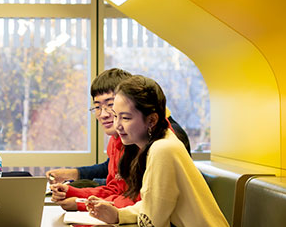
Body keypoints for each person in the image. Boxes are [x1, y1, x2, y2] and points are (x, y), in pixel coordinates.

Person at [86, 76, 239, 227]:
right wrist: (118, 214)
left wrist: (123, 215)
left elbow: (153, 223)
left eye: (125, 118)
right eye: (116, 117)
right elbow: (152, 210)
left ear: (151, 120)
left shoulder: (162, 150)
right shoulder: (159, 144)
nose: (118, 126)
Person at [46, 68, 191, 211]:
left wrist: (81, 202)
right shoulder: (122, 139)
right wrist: (73, 192)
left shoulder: (160, 144)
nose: (104, 114)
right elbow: (117, 188)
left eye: (111, 106)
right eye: (97, 107)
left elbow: (143, 204)